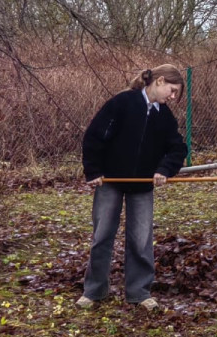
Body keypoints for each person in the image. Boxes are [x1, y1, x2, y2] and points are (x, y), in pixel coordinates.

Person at [78, 65, 187, 310]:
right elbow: (94, 137)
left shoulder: (165, 116)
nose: (173, 97)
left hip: (142, 186)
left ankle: (139, 292)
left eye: (176, 94)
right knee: (102, 235)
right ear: (159, 81)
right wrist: (93, 171)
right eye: (172, 91)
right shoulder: (122, 103)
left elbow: (178, 149)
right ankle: (95, 291)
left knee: (141, 239)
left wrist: (164, 170)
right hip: (110, 182)